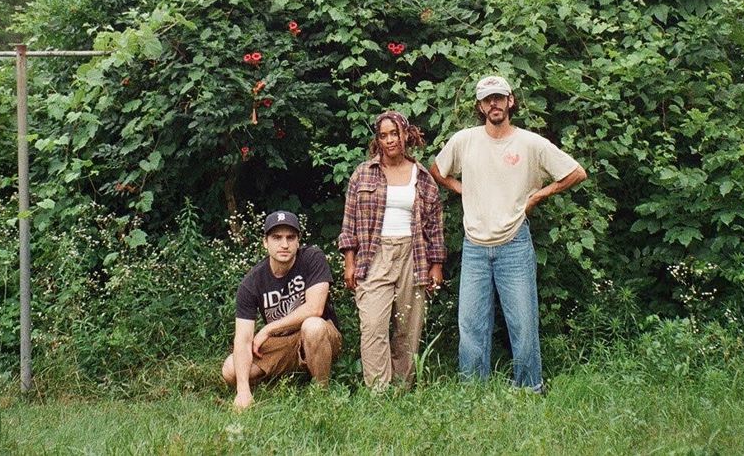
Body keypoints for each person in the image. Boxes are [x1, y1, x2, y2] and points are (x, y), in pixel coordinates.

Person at [430, 75, 587, 392]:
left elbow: (576, 172)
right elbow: (437, 170)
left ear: (510, 101)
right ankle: (473, 391)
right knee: (471, 325)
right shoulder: (465, 140)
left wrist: (538, 196)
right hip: (474, 245)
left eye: (499, 97)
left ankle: (530, 388)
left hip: (514, 243)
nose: (494, 104)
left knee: (523, 323)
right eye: (488, 99)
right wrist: (463, 189)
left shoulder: (530, 143)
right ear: (480, 106)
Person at [339, 110, 446, 389]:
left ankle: (401, 389)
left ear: (406, 135)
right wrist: (349, 261)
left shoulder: (422, 177)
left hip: (414, 254)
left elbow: (434, 225)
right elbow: (349, 221)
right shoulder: (363, 174)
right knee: (373, 325)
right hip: (374, 254)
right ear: (377, 140)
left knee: (408, 328)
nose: (389, 140)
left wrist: (436, 265)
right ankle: (378, 391)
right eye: (383, 135)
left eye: (394, 134)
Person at [221, 210, 343, 410]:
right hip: (284, 342)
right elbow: (243, 339)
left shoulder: (312, 258)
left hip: (322, 336)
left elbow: (315, 308)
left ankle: (321, 394)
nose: (284, 244)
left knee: (312, 326)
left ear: (298, 241)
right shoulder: (252, 283)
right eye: (277, 237)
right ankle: (286, 376)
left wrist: (268, 329)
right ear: (265, 242)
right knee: (230, 369)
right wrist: (243, 391)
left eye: (290, 237)